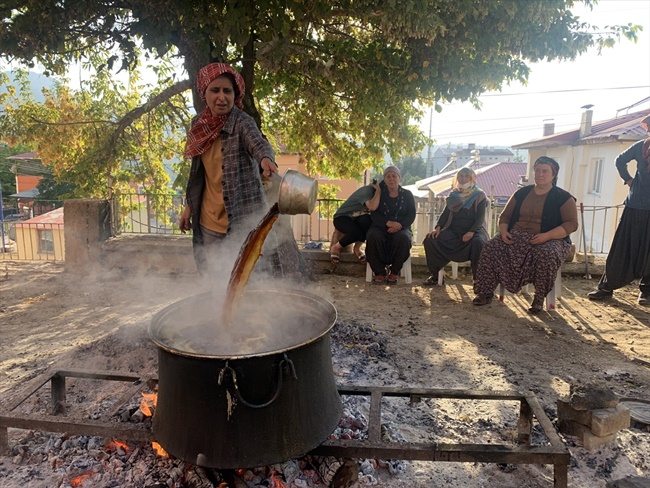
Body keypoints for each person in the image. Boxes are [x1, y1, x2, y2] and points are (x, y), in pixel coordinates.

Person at [178, 62, 278, 275]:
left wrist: (266, 159)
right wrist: (190, 207)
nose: (221, 97)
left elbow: (257, 142)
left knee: (246, 281)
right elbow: (198, 175)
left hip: (242, 222)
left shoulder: (242, 122)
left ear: (235, 95)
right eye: (215, 90)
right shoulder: (199, 126)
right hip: (208, 223)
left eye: (227, 91)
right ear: (205, 93)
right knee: (215, 280)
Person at [472, 156, 578, 314]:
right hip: (517, 236)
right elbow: (505, 216)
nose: (540, 174)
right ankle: (485, 292)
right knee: (491, 247)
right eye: (537, 170)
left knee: (546, 254)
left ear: (554, 175)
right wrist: (503, 231)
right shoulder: (521, 193)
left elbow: (571, 224)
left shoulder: (563, 197)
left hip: (551, 239)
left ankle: (539, 298)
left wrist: (547, 236)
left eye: (545, 171)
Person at [588, 114, 650, 304]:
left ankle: (646, 292)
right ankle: (607, 287)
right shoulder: (641, 147)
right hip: (635, 207)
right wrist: (629, 180)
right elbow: (619, 161)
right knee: (622, 249)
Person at [422, 167, 489, 286]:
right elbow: (445, 214)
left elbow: (480, 218)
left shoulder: (479, 195)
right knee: (430, 240)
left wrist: (471, 232)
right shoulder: (453, 195)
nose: (463, 179)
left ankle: (478, 280)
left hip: (474, 231)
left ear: (472, 178)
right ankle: (436, 276)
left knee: (479, 243)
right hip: (453, 231)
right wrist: (438, 228)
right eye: (460, 176)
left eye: (466, 176)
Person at [366, 165, 416, 284]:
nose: (391, 179)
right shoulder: (379, 194)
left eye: (394, 176)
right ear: (384, 179)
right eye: (388, 176)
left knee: (403, 238)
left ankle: (394, 272)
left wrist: (399, 225)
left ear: (399, 178)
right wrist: (387, 223)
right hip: (381, 226)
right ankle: (379, 272)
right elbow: (374, 214)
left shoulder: (407, 194)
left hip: (401, 227)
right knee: (372, 236)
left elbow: (411, 215)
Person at [330, 180, 381, 264]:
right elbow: (372, 207)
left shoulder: (376, 193)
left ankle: (357, 248)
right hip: (342, 217)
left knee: (368, 222)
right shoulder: (367, 191)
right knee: (356, 233)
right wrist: (379, 190)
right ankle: (336, 247)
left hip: (355, 218)